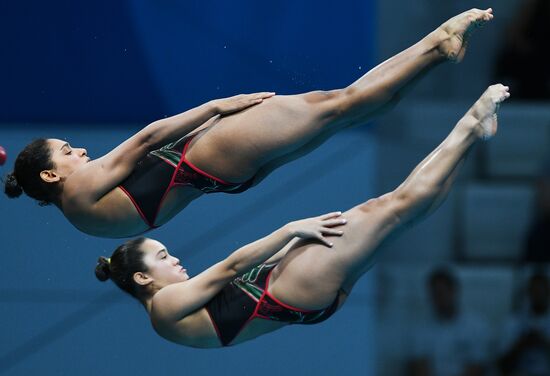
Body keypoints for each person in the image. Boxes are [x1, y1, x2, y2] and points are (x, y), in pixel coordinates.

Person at [4, 9, 494, 238]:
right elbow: (149, 137)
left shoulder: (81, 220)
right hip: (205, 153)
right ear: (50, 175)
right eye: (67, 151)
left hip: (218, 176)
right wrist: (216, 106)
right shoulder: (81, 187)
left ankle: (436, 51)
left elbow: (154, 199)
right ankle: (437, 44)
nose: (81, 153)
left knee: (345, 112)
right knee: (341, 104)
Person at [95, 85, 510, 348]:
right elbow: (232, 266)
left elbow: (233, 290)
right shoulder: (164, 304)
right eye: (163, 258)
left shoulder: (166, 320)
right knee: (394, 209)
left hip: (296, 299)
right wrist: (291, 229)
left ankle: (471, 138)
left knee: (401, 215)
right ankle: (470, 127)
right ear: (142, 278)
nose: (175, 259)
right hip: (283, 291)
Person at [407, 267, 491, 376]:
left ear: (454, 291)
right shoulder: (419, 330)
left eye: (441, 293)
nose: (437, 299)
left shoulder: (478, 327)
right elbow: (420, 369)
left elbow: (476, 369)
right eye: (433, 295)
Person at [497, 272, 550, 375]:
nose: (538, 295)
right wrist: (522, 344)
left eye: (541, 291)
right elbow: (502, 367)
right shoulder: (512, 322)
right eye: (535, 291)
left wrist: (543, 342)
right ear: (528, 293)